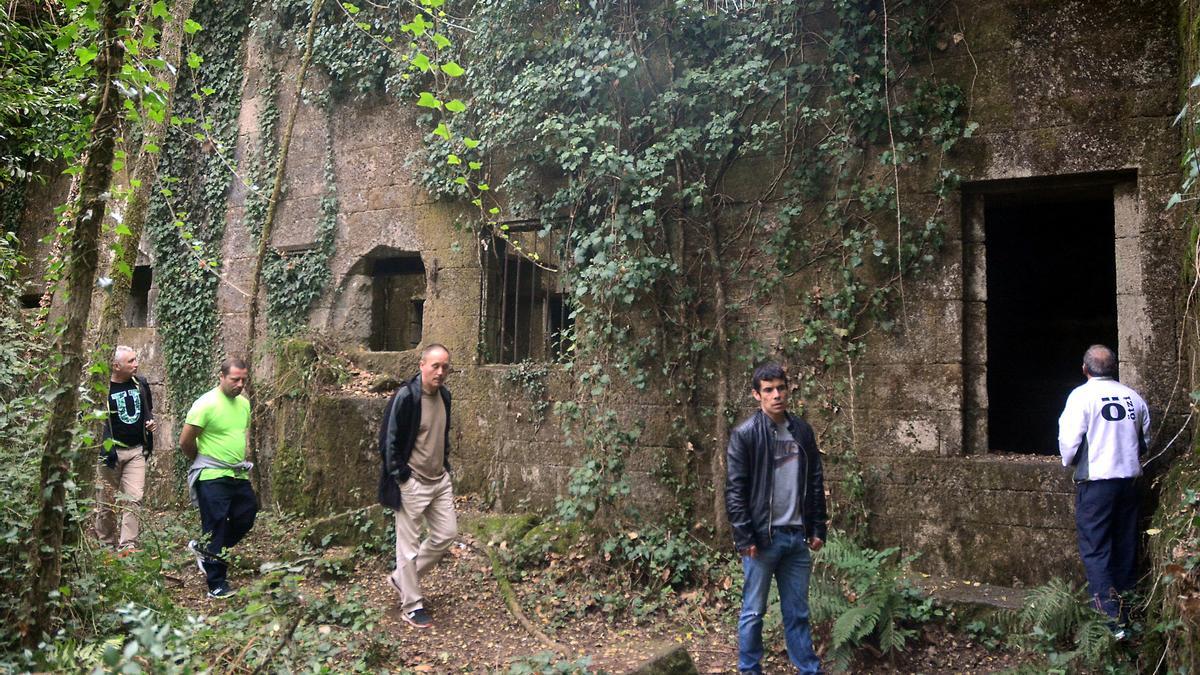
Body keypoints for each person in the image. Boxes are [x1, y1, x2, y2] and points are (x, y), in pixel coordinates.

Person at [726, 361, 827, 674]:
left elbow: (815, 480)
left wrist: (817, 527)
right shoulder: (745, 435)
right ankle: (749, 670)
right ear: (756, 395)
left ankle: (809, 669)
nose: (776, 395)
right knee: (754, 612)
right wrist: (745, 536)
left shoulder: (802, 431)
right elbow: (735, 490)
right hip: (762, 540)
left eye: (781, 388)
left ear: (788, 390)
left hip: (796, 537)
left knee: (798, 613)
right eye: (768, 390)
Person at [1058, 344, 1149, 635]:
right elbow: (1144, 440)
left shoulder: (1081, 396)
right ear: (1114, 368)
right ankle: (1129, 611)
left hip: (1097, 484)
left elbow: (1069, 443)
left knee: (1096, 549)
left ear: (1085, 369)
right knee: (1125, 545)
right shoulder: (1133, 397)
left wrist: (1070, 461)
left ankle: (1110, 620)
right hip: (1129, 482)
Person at [377, 344, 457, 628]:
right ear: (422, 365)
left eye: (445, 366)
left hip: (439, 480)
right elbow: (388, 441)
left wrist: (444, 466)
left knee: (447, 534)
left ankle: (402, 579)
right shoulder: (407, 397)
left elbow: (440, 436)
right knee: (408, 549)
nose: (440, 372)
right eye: (435, 365)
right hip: (413, 482)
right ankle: (412, 605)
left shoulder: (445, 396)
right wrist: (402, 476)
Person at [179, 357, 257, 599]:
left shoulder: (244, 404)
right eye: (235, 379)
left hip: (237, 473)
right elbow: (185, 441)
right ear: (221, 377)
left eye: (243, 380)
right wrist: (202, 461)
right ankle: (216, 584)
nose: (240, 384)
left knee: (247, 515)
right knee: (216, 526)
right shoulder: (205, 404)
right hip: (211, 475)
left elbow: (239, 433)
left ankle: (205, 550)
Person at [96, 345, 157, 552]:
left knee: (134, 498)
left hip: (136, 451)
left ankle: (128, 546)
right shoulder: (102, 389)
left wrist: (150, 423)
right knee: (107, 502)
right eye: (131, 361)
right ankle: (106, 544)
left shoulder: (140, 383)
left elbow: (148, 410)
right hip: (109, 455)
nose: (136, 364)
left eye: (135, 359)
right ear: (116, 366)